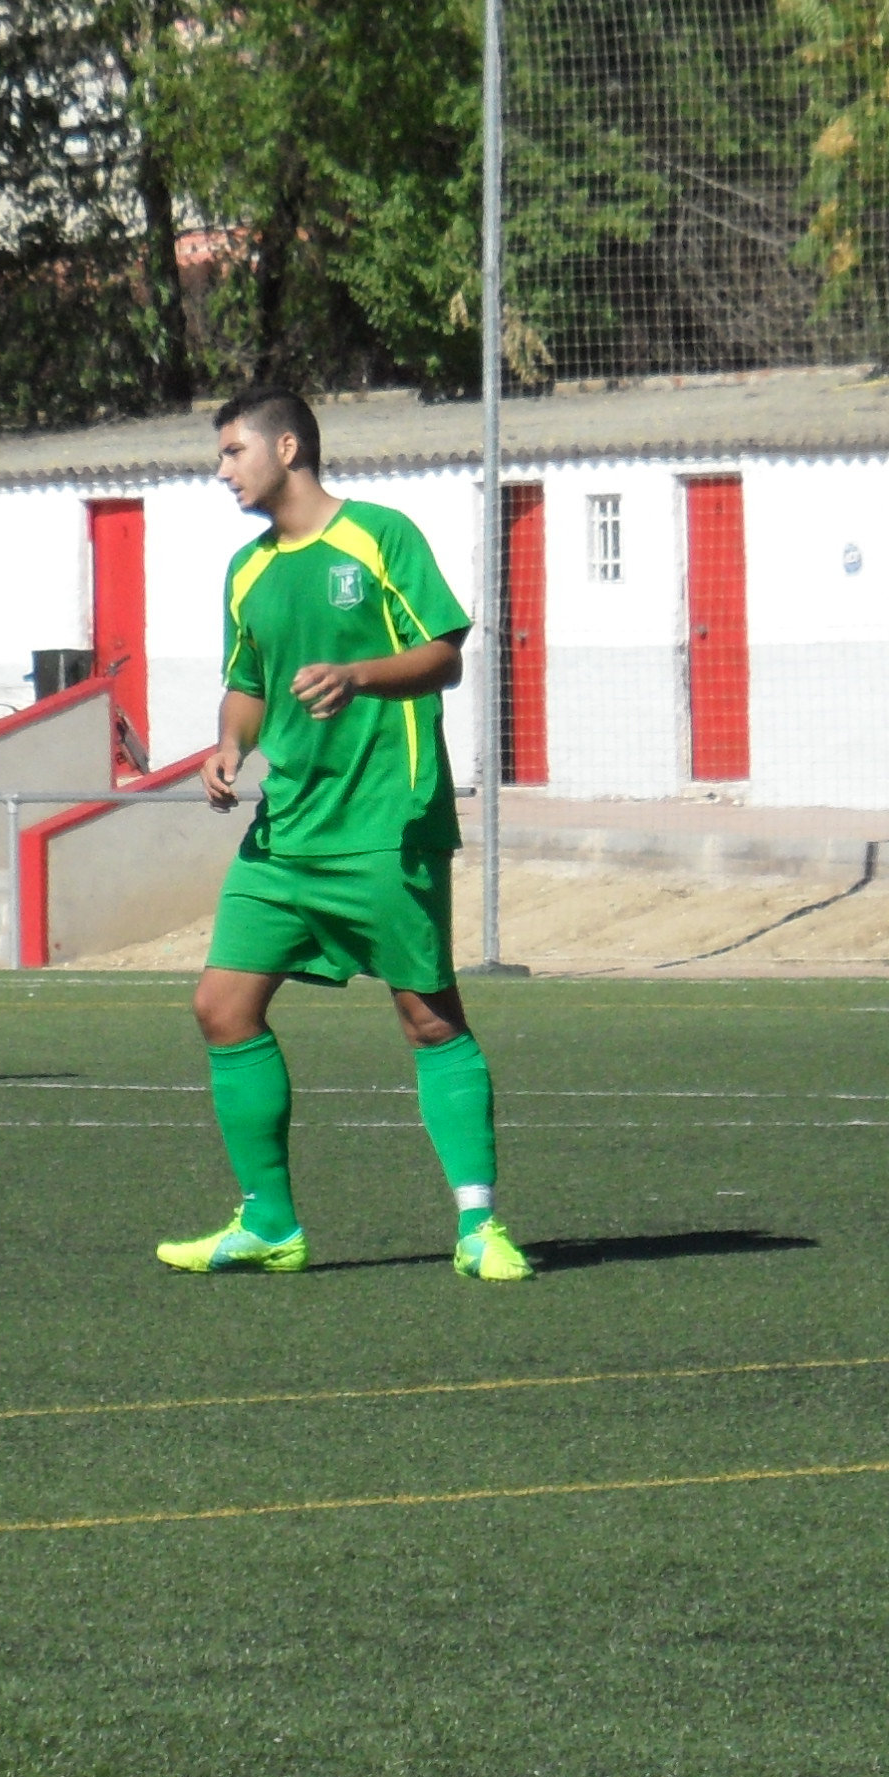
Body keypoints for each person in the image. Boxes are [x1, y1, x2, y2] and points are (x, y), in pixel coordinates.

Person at [158, 389, 524, 1284]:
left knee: (428, 1018)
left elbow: (445, 655)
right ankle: (269, 1225)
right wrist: (229, 745)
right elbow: (247, 682)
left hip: (384, 824)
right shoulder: (246, 570)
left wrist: (359, 675)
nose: (222, 469)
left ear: (287, 447)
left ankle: (479, 1227)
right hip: (286, 832)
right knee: (221, 1008)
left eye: (234, 451)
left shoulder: (379, 535)